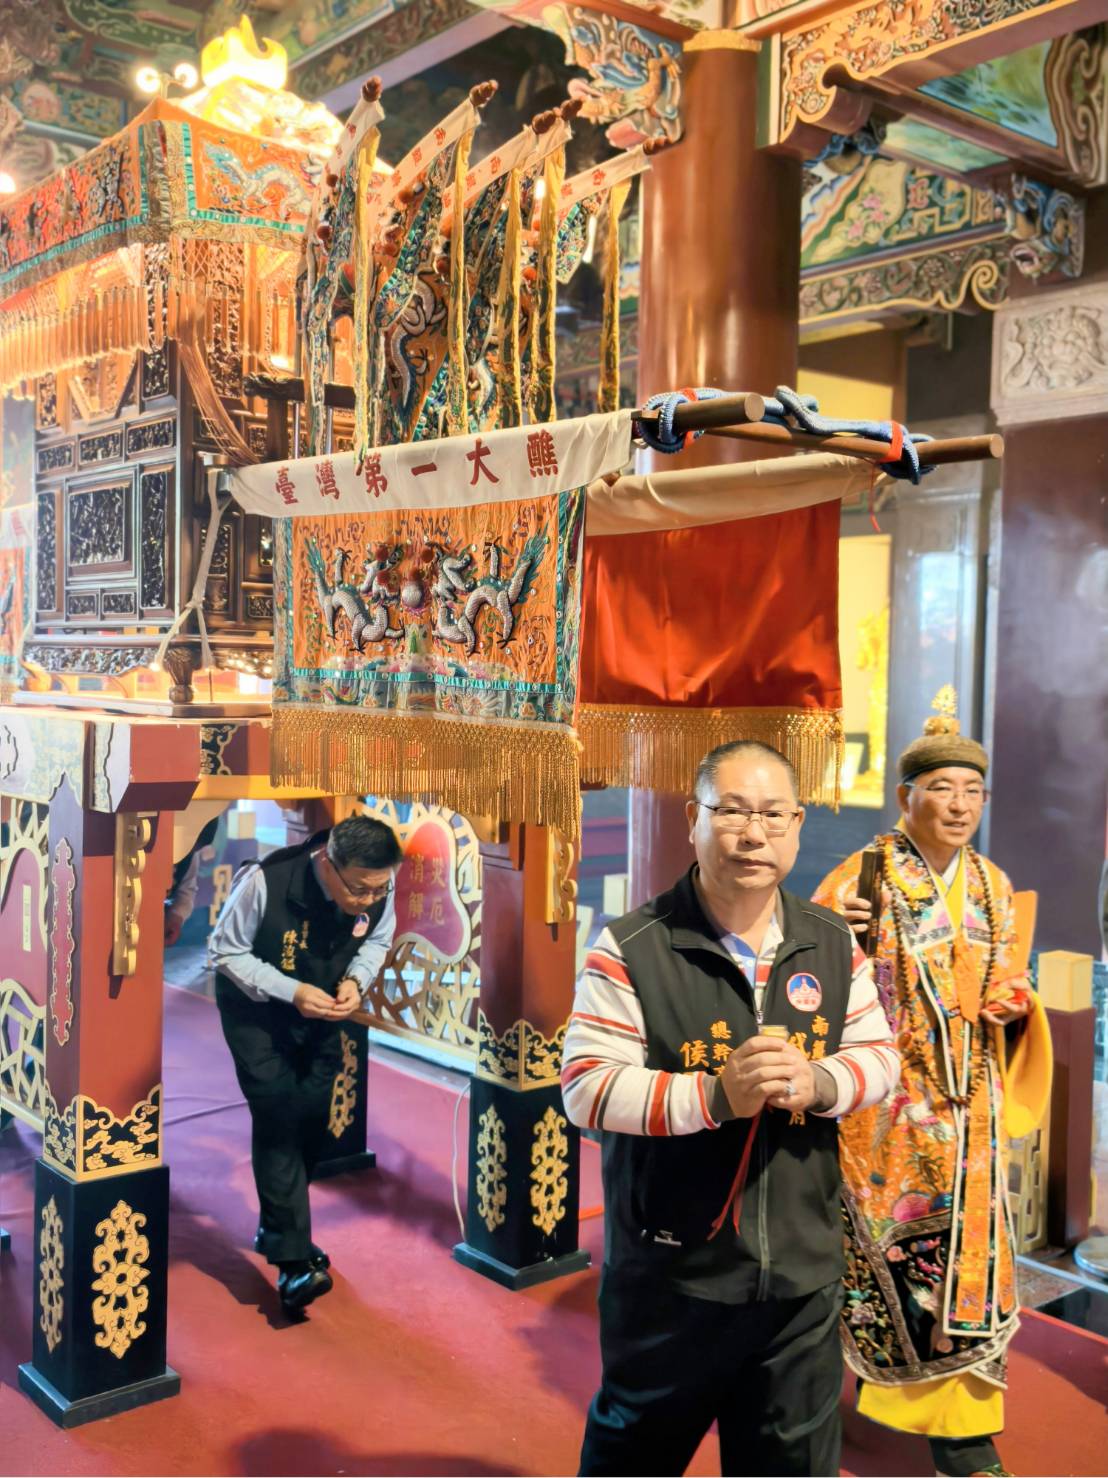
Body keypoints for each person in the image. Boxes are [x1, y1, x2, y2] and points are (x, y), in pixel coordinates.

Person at [562, 740, 900, 1477]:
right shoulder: (632, 947)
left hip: (802, 1278)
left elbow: (880, 1059)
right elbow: (587, 1086)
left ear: (798, 825)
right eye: (733, 812)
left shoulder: (831, 943)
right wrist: (715, 1096)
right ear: (694, 817)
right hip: (673, 1276)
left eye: (774, 815)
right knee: (633, 1457)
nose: (754, 834)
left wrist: (819, 1083)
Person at [813, 703, 1050, 1478]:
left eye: (973, 792)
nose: (959, 806)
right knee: (884, 1250)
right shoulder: (863, 876)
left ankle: (964, 1434)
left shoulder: (990, 882)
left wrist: (1016, 1002)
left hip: (970, 1108)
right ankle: (869, 1383)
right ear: (905, 797)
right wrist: (831, 928)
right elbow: (809, 974)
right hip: (888, 1109)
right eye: (943, 788)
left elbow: (1009, 977)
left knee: (972, 1261)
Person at [209, 813, 402, 1315]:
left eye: (379, 889)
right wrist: (291, 991)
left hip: (323, 1010)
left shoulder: (378, 887)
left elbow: (377, 940)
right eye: (358, 889)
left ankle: (278, 1228)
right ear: (327, 863)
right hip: (256, 1014)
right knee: (278, 1114)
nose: (368, 900)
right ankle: (294, 1264)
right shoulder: (264, 881)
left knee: (315, 1116)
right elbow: (224, 952)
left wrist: (356, 980)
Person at [164, 816, 220, 947]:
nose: (187, 853)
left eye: (193, 850)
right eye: (186, 846)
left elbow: (187, 891)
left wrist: (176, 918)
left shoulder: (191, 855)